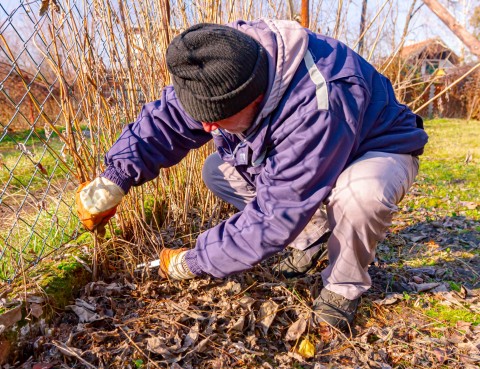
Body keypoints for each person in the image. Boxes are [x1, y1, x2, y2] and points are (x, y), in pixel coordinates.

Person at [76, 19, 428, 331]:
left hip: (376, 148)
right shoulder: (221, 65)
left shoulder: (319, 100)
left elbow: (275, 215)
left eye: (218, 117)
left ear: (255, 97)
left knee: (361, 194)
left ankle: (342, 286)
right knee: (217, 171)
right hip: (315, 152)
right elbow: (166, 120)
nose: (207, 127)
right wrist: (114, 178)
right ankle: (313, 238)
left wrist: (198, 260)